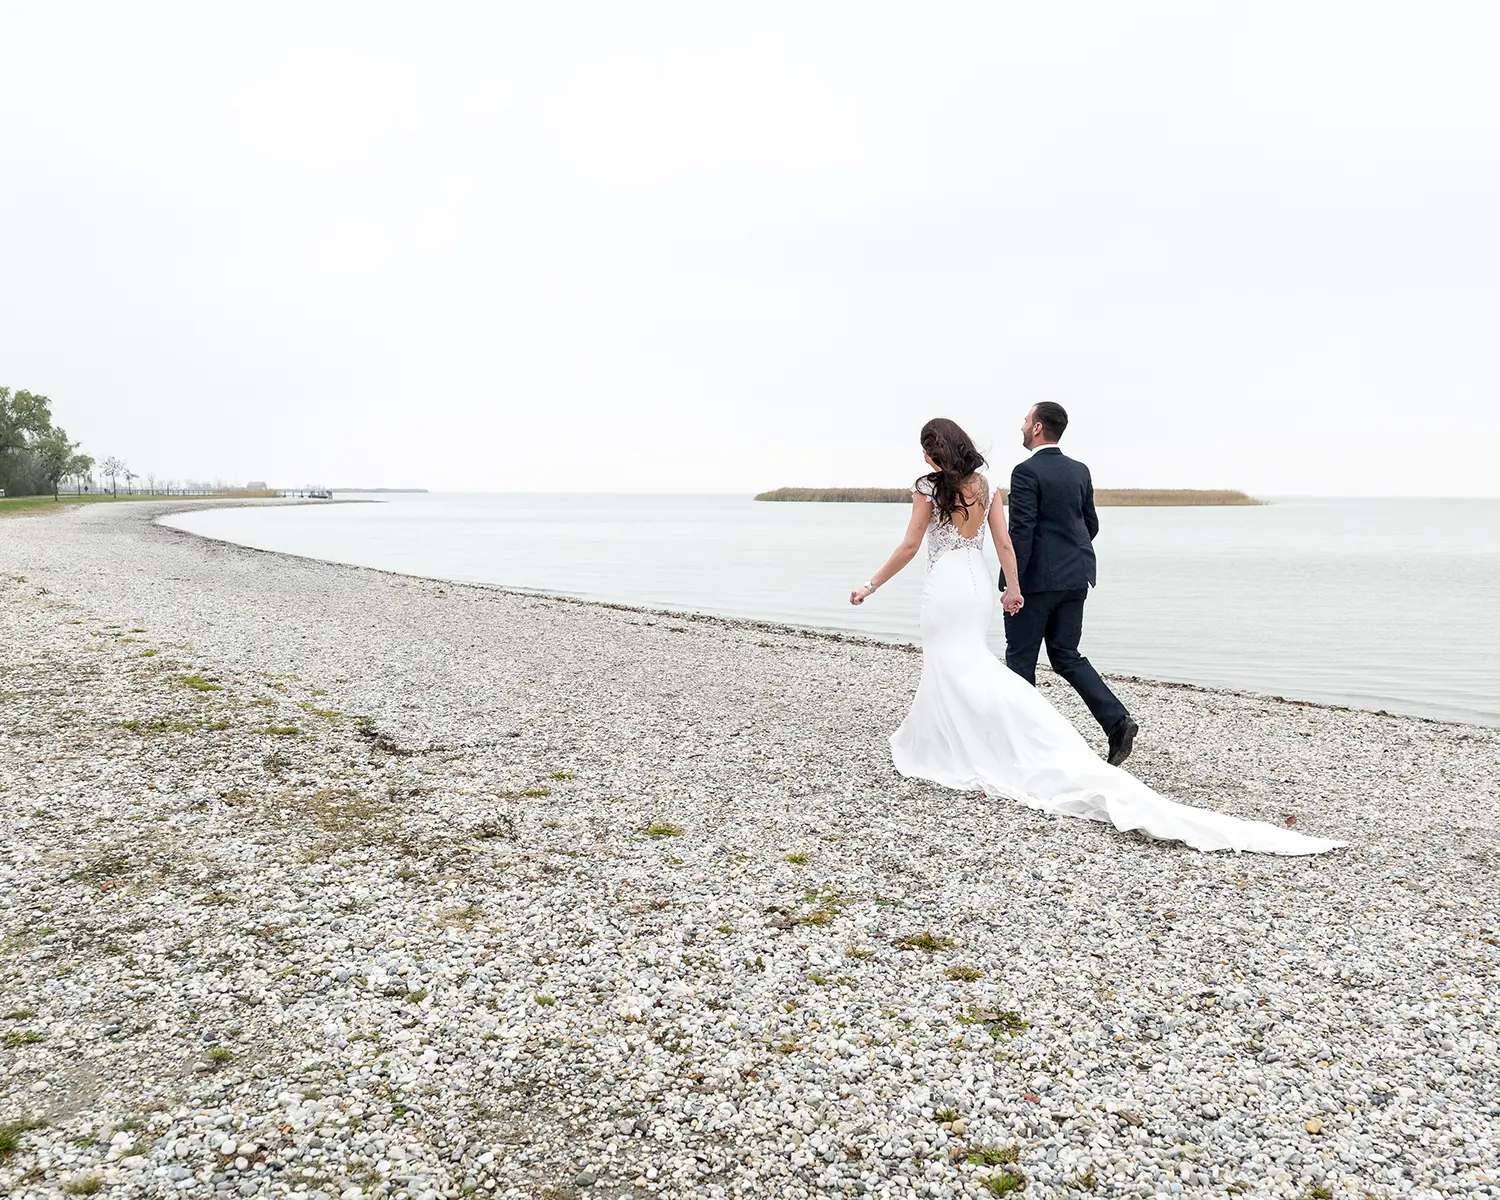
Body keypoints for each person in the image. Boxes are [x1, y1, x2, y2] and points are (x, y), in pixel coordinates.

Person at [850, 417, 1343, 855]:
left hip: (947, 589)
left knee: (966, 665)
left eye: (925, 450)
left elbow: (912, 545)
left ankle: (974, 738)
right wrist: (1011, 588)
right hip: (987, 587)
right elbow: (1007, 542)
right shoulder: (988, 485)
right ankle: (994, 732)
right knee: (996, 661)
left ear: (934, 451)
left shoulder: (929, 486)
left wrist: (870, 585)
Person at [1002, 402, 1137, 766]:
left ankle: (1024, 743)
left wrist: (1012, 583)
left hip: (1035, 582)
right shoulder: (1079, 470)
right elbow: (1090, 524)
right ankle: (1117, 721)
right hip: (1076, 576)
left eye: (1026, 420)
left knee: (1021, 659)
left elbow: (1021, 530)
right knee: (1065, 654)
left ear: (1037, 427)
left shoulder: (1025, 472)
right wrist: (1066, 555)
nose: (1022, 425)